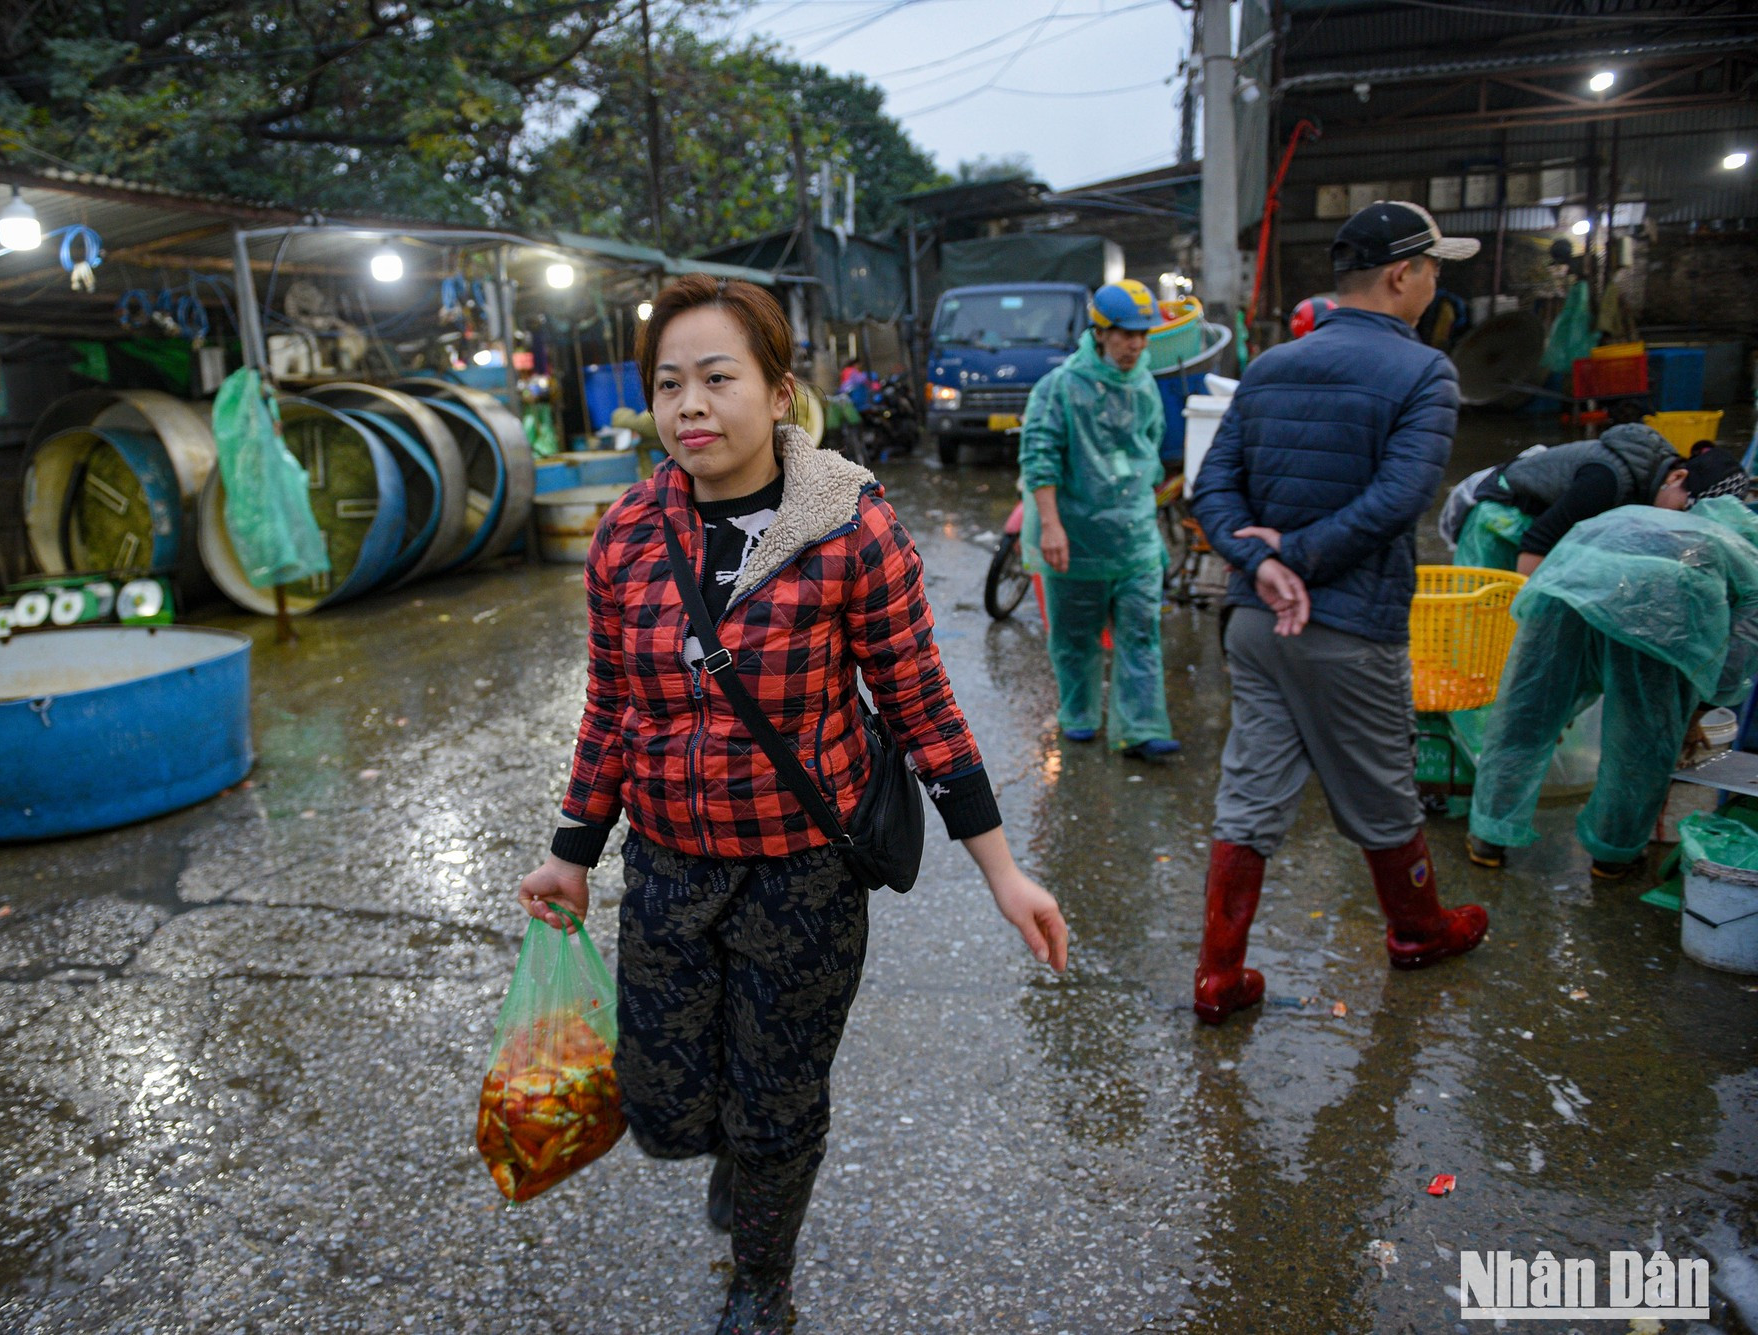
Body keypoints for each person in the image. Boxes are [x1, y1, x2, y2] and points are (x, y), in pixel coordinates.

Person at [515, 276, 1068, 1335]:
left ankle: (761, 1280)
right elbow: (612, 711)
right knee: (667, 1102)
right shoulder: (627, 537)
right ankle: (739, 1155)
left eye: (717, 378)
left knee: (775, 1100)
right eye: (669, 383)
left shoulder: (846, 529)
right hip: (672, 869)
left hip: (802, 879)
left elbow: (921, 707)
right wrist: (571, 853)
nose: (690, 405)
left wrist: (1001, 871)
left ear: (776, 394)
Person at [1187, 200, 1489, 1025]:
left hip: (1255, 626)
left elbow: (1210, 490)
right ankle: (1420, 930)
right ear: (1402, 276)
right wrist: (1300, 562)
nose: (1434, 282)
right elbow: (1401, 499)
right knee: (1385, 791)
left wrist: (1263, 561)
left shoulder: (1272, 366)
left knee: (1249, 793)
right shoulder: (1426, 372)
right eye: (1432, 268)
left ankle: (1218, 975)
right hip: (1349, 628)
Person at [1466, 499, 1758, 876]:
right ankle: (1613, 853)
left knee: (1525, 717)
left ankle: (1488, 835)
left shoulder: (1675, 525)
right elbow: (1736, 655)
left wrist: (1560, 699)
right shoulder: (1746, 560)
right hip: (1657, 605)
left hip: (1568, 581)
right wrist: (1699, 708)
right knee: (1640, 745)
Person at [1017, 279, 1179, 760]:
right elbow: (1039, 456)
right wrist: (1051, 525)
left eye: (1144, 335)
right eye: (1128, 334)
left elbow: (1150, 447)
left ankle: (1142, 728)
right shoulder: (1060, 388)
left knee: (1141, 637)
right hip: (1078, 539)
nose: (1137, 344)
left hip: (1134, 541)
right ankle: (1079, 716)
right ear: (1101, 331)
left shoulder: (1145, 384)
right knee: (1075, 639)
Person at [1439, 423, 1746, 574]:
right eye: (1684, 509)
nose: (1679, 521)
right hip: (1501, 520)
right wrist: (1526, 612)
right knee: (1484, 626)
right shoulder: (1608, 480)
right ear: (1677, 477)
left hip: (1540, 521)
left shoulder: (1649, 482)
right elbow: (1538, 541)